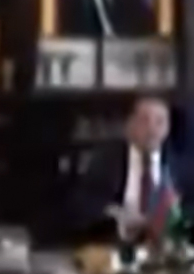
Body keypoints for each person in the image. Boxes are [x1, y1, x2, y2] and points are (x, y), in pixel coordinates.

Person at [70, 95, 181, 242]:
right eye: (144, 121)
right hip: (116, 242)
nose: (152, 130)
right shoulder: (105, 159)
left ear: (168, 127)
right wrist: (117, 218)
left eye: (160, 122)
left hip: (167, 243)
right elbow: (84, 204)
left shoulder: (181, 162)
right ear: (129, 125)